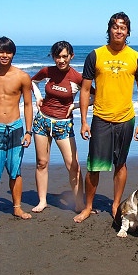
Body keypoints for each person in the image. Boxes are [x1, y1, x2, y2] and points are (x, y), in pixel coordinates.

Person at [76, 11, 138, 222]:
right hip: (101, 118)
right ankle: (88, 206)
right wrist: (83, 121)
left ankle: (116, 204)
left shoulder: (136, 58)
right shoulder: (95, 55)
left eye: (123, 27)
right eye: (115, 26)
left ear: (128, 32)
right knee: (94, 166)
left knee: (121, 164)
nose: (119, 30)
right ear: (109, 30)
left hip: (126, 119)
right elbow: (85, 90)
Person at [30, 41, 93, 217]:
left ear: (71, 56)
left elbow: (94, 97)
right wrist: (38, 97)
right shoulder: (47, 72)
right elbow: (32, 81)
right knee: (42, 163)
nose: (61, 60)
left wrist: (74, 107)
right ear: (53, 57)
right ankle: (42, 201)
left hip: (63, 125)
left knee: (73, 166)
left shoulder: (77, 78)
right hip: (42, 121)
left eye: (65, 56)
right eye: (57, 56)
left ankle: (79, 203)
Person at [0, 36, 33, 222]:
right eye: (1, 51)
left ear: (13, 53)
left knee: (15, 170)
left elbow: (28, 105)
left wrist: (28, 132)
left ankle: (17, 208)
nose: (4, 55)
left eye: (8, 51)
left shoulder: (22, 77)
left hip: (15, 128)